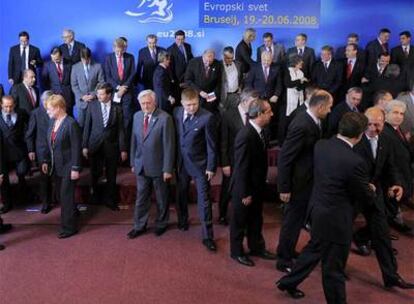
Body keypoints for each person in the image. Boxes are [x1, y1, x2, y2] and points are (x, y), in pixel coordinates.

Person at [276, 112, 374, 303]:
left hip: (317, 210)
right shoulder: (355, 162)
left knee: (313, 250)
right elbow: (364, 196)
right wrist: (370, 188)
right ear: (360, 135)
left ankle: (288, 282)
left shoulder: (322, 146)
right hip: (336, 221)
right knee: (334, 269)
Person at [351, 107, 414, 290]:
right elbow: (347, 168)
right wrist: (363, 185)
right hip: (353, 195)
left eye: (377, 125)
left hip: (374, 193)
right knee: (334, 235)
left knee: (382, 235)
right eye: (369, 124)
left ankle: (391, 276)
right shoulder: (354, 138)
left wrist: (397, 183)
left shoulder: (386, 138)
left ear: (383, 123)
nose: (373, 128)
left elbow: (390, 165)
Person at [276, 90, 333, 273]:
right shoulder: (301, 124)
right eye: (329, 107)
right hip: (296, 183)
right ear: (320, 106)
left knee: (298, 220)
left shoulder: (317, 120)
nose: (330, 111)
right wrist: (284, 187)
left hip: (308, 180)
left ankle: (289, 251)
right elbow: (285, 157)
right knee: (292, 222)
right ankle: (283, 260)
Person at [229, 98, 276, 266]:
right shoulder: (245, 135)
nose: (272, 114)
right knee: (240, 221)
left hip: (257, 186)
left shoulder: (263, 131)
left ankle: (256, 247)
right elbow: (241, 168)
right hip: (244, 189)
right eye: (269, 111)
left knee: (256, 219)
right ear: (260, 114)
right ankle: (236, 252)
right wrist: (245, 193)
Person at [173, 88, 217, 251]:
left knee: (203, 200)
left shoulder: (207, 117)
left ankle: (208, 236)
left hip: (200, 165)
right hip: (181, 164)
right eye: (189, 105)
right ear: (182, 103)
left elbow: (211, 145)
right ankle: (182, 221)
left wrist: (211, 167)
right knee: (181, 194)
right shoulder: (177, 113)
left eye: (195, 104)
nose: (192, 108)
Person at [128, 90, 175, 238]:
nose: (146, 106)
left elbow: (169, 145)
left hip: (159, 167)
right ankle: (139, 225)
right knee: (141, 198)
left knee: (161, 198)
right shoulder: (136, 116)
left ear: (154, 102)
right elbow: (134, 141)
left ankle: (161, 223)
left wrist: (167, 168)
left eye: (148, 103)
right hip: (141, 165)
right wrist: (133, 162)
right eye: (143, 103)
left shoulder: (165, 118)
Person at [82, 83, 127, 210]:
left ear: (109, 95)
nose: (98, 96)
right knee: (95, 173)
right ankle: (95, 198)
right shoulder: (92, 106)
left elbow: (121, 130)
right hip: (94, 145)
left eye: (101, 94)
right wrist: (85, 146)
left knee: (111, 175)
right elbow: (87, 127)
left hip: (111, 146)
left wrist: (123, 149)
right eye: (98, 94)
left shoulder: (117, 108)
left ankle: (110, 200)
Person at [42, 94, 81, 239]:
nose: (47, 112)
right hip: (56, 167)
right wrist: (46, 160)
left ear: (58, 108)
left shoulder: (71, 123)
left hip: (69, 167)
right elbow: (49, 144)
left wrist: (75, 168)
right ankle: (73, 215)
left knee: (66, 197)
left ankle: (69, 228)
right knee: (61, 196)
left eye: (50, 109)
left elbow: (76, 147)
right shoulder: (53, 122)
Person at [218, 89, 258, 225]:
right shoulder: (228, 115)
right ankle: (222, 214)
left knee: (246, 188)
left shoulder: (254, 114)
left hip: (250, 159)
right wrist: (225, 163)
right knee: (227, 188)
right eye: (253, 102)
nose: (255, 105)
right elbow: (223, 141)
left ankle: (244, 216)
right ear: (244, 101)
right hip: (233, 160)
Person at [383, 100, 412, 232]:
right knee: (385, 213)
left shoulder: (397, 129)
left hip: (402, 177)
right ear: (386, 113)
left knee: (390, 212)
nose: (399, 116)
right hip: (393, 181)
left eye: (401, 114)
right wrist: (397, 182)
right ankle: (363, 237)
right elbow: (389, 162)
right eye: (395, 112)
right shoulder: (385, 132)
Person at [25, 91, 54, 213]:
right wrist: (31, 149)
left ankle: (58, 199)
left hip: (56, 149)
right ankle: (46, 203)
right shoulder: (35, 113)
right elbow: (30, 134)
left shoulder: (56, 111)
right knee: (44, 178)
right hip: (42, 150)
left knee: (57, 177)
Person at [104, 37, 136, 146]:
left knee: (127, 119)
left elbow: (132, 74)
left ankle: (125, 146)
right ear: (113, 48)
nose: (119, 53)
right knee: (114, 118)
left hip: (127, 92)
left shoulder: (130, 57)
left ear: (124, 49)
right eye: (117, 50)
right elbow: (107, 76)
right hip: (114, 92)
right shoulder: (108, 58)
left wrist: (124, 87)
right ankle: (115, 144)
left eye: (121, 51)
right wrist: (118, 87)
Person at [0, 95, 29, 214]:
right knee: (4, 180)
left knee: (22, 172)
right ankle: (7, 203)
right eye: (6, 106)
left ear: (14, 105)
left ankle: (24, 196)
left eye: (11, 106)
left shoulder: (22, 113)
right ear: (1, 105)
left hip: (19, 150)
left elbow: (29, 127)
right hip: (3, 153)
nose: (8, 109)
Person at [70, 47, 105, 127]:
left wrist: (94, 94)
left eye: (87, 59)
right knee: (81, 125)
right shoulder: (75, 67)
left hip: (95, 101)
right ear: (80, 57)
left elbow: (101, 82)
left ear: (90, 57)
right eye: (83, 59)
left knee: (94, 125)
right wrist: (82, 96)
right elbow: (74, 85)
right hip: (81, 103)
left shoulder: (98, 66)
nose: (85, 62)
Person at [184, 49, 222, 114]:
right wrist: (200, 92)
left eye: (210, 61)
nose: (208, 63)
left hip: (211, 100)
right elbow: (188, 80)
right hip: (196, 97)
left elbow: (219, 82)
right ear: (203, 56)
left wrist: (214, 95)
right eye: (206, 61)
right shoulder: (193, 62)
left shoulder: (217, 64)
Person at [42, 47, 73, 115]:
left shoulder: (69, 63)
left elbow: (73, 79)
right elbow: (44, 81)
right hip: (54, 95)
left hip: (68, 96)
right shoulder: (47, 65)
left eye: (57, 59)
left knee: (69, 115)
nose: (55, 60)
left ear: (61, 56)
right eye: (53, 58)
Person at [167, 30, 194, 95]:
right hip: (177, 77)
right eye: (178, 39)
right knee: (178, 95)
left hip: (188, 75)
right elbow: (170, 66)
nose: (180, 41)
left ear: (184, 38)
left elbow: (191, 59)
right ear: (175, 38)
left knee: (188, 94)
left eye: (182, 39)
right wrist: (172, 79)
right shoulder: (170, 49)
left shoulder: (188, 46)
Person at [220, 46, 243, 111]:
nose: (230, 60)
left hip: (236, 95)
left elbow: (241, 78)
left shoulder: (238, 64)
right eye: (227, 58)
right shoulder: (218, 65)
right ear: (223, 56)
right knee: (223, 116)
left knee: (235, 114)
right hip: (224, 96)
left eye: (232, 58)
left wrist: (240, 86)